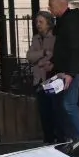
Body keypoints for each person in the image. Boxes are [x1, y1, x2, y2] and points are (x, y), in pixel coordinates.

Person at [47, 0, 79, 142]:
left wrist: (70, 73)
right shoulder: (66, 21)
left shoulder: (71, 23)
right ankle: (72, 136)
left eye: (51, 6)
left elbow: (75, 48)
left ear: (60, 5)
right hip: (67, 69)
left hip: (72, 70)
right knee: (63, 104)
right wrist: (54, 61)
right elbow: (65, 48)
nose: (49, 9)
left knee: (68, 104)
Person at [27, 10, 58, 144]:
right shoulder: (36, 38)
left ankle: (57, 138)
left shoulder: (55, 38)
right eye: (36, 22)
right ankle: (48, 139)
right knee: (43, 112)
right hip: (39, 80)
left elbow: (54, 57)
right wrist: (43, 52)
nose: (38, 25)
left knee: (54, 110)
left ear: (49, 23)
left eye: (41, 22)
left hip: (51, 80)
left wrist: (39, 59)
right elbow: (29, 57)